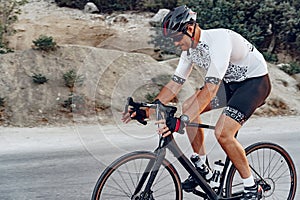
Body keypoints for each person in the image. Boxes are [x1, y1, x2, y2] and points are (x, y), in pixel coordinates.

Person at [122, 5, 271, 200]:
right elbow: (175, 84)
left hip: (254, 83)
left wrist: (182, 120)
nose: (175, 44)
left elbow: (210, 89)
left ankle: (251, 188)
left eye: (176, 38)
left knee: (223, 133)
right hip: (230, 84)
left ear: (190, 29)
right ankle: (202, 167)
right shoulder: (189, 51)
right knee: (188, 106)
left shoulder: (219, 40)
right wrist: (148, 109)